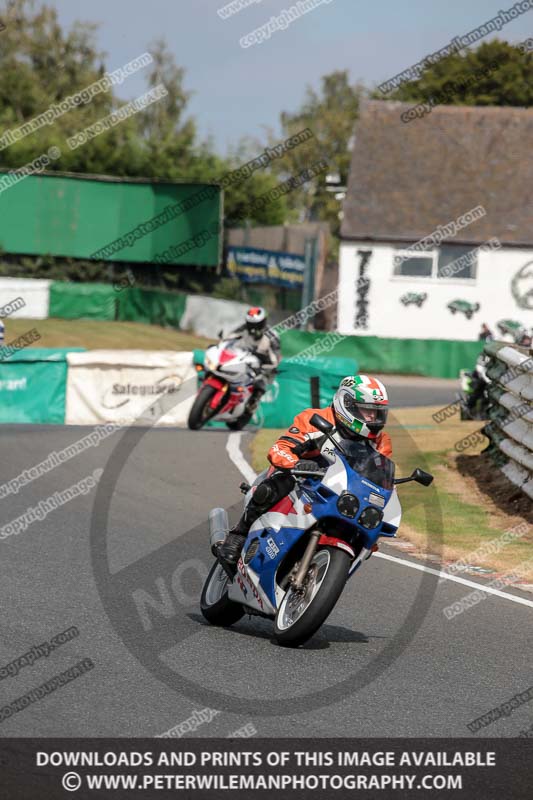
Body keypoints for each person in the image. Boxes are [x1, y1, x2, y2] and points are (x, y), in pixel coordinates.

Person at [218, 374, 392, 571]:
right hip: (301, 475)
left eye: (377, 413)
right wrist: (296, 463)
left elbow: (377, 477)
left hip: (339, 489)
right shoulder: (316, 419)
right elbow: (281, 447)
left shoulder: (380, 441)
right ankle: (239, 534)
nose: (373, 418)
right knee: (279, 483)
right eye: (367, 411)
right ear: (348, 404)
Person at [226, 306, 280, 411]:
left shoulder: (272, 335)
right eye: (250, 324)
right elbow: (229, 337)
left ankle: (252, 403)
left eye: (256, 325)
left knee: (260, 382)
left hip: (263, 364)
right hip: (243, 359)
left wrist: (268, 367)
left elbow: (276, 357)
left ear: (263, 322)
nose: (253, 328)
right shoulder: (243, 328)